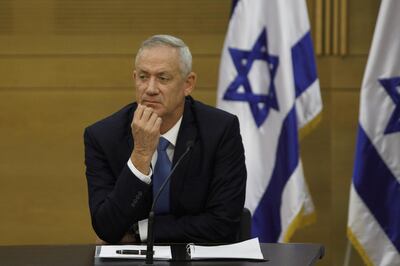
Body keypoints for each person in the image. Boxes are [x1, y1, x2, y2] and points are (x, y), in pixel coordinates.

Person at [84, 35, 246, 244]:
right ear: (135, 79)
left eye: (163, 78)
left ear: (188, 84)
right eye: (143, 77)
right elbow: (106, 227)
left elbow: (223, 223)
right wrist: (140, 156)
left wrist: (139, 232)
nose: (150, 89)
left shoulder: (219, 131)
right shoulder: (103, 137)